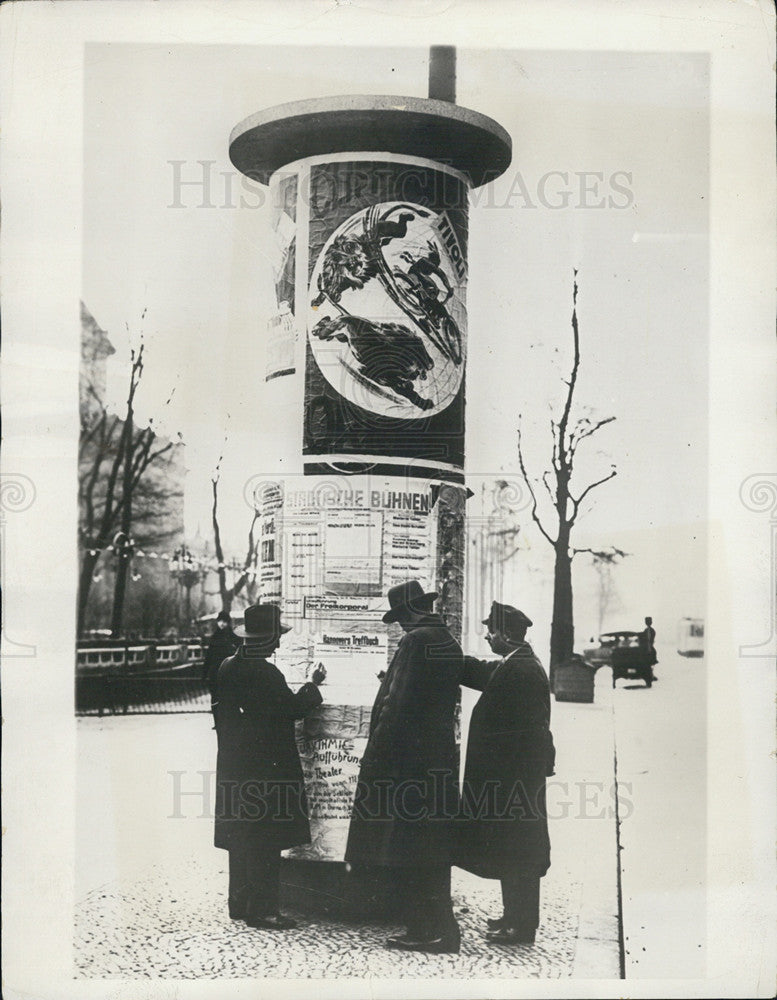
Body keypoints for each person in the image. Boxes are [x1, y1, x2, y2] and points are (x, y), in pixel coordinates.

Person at [345, 580, 462, 953]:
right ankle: (441, 928)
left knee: (409, 849)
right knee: (433, 851)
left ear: (410, 611)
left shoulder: (415, 642)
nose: (399, 627)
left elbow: (398, 710)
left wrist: (374, 761)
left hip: (408, 768)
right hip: (437, 763)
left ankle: (426, 931)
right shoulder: (445, 638)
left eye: (399, 619)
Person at [213, 603, 326, 929]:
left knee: (241, 839)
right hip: (265, 771)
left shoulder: (227, 666)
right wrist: (313, 684)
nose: (277, 644)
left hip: (235, 767)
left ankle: (240, 903)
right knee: (264, 840)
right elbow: (291, 708)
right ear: (262, 639)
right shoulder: (264, 672)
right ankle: (264, 911)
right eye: (275, 637)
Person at [458, 602, 555, 946]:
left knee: (521, 853)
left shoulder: (523, 671)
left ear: (506, 634)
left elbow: (532, 732)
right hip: (512, 779)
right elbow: (481, 672)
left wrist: (512, 780)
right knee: (512, 850)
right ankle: (513, 916)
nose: (486, 636)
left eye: (491, 631)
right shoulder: (514, 664)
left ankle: (522, 926)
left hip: (516, 782)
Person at [203, 611, 239, 710]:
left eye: (224, 621)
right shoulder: (214, 637)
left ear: (228, 623)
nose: (222, 624)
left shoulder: (233, 637)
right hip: (215, 671)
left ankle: (227, 722)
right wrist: (204, 674)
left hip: (229, 670)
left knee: (229, 697)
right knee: (215, 697)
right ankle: (217, 722)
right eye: (220, 621)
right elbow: (209, 656)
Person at [640, 616, 658, 680]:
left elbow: (647, 639)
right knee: (650, 662)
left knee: (649, 662)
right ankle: (650, 674)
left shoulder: (648, 630)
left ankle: (650, 674)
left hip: (648, 648)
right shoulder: (650, 630)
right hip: (649, 647)